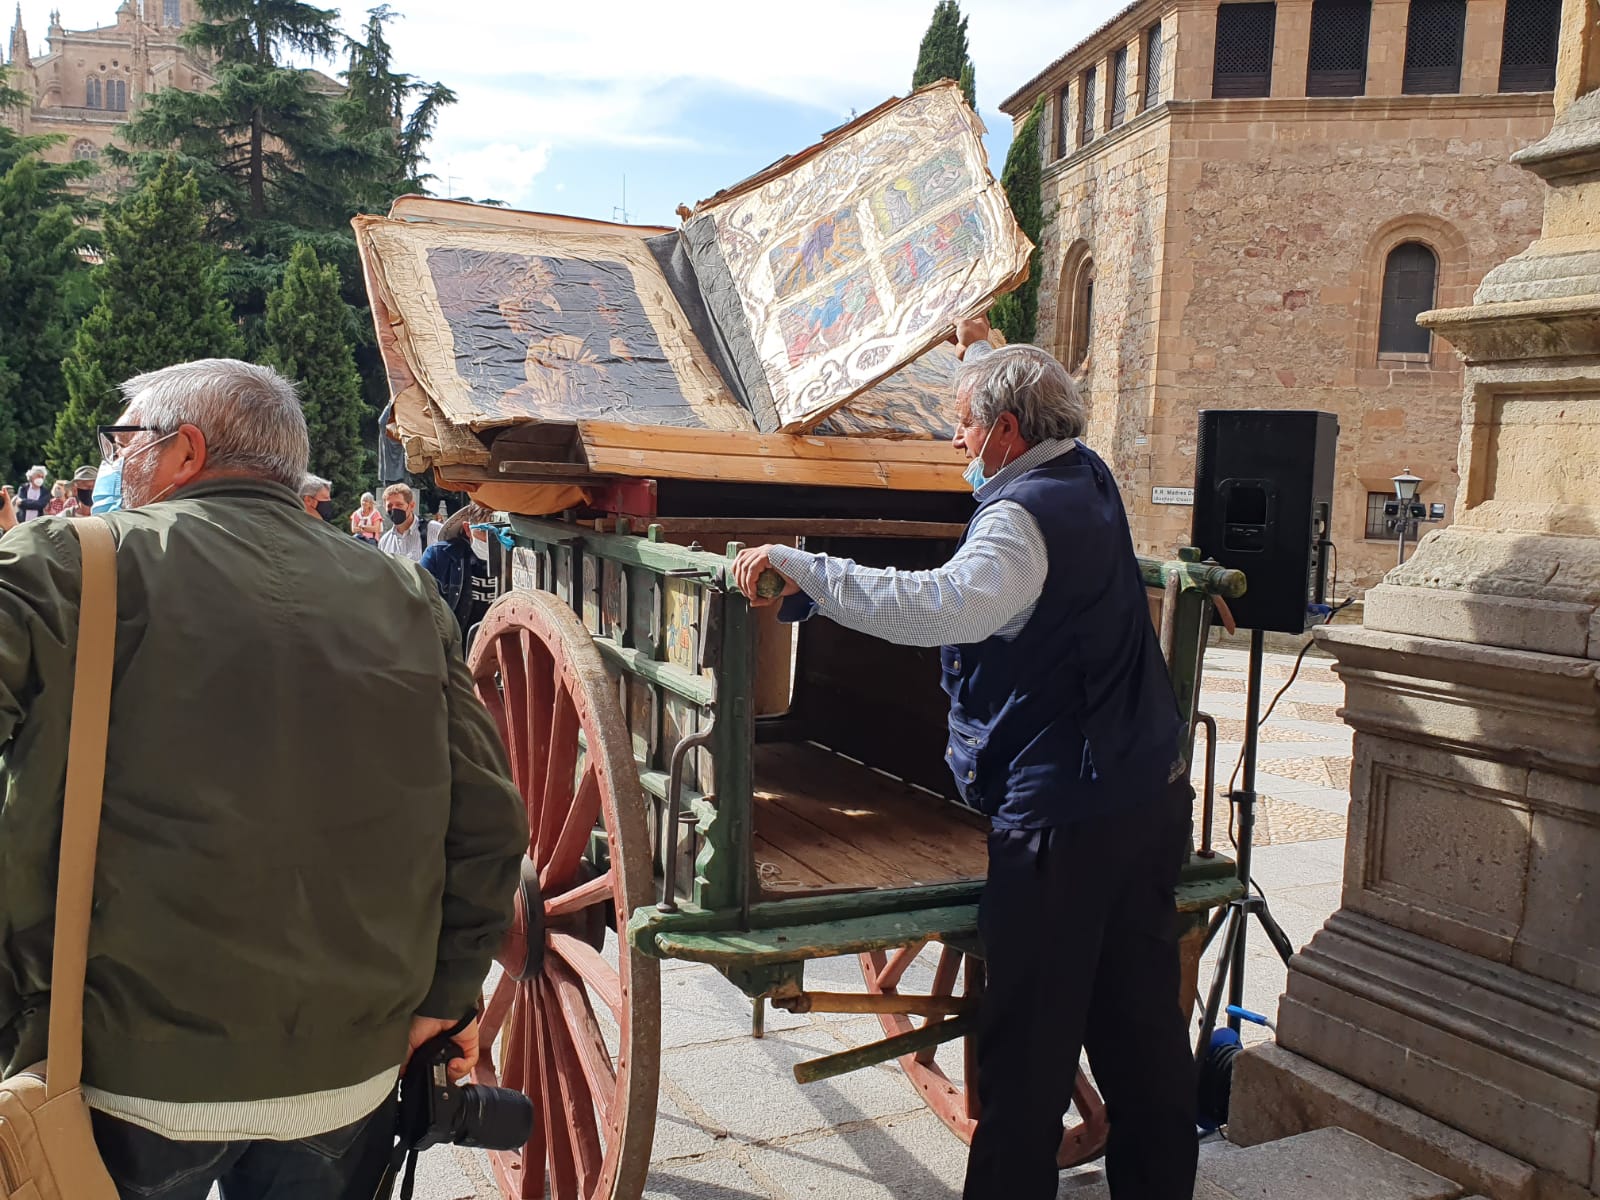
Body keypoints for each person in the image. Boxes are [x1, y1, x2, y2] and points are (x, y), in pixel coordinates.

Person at [0, 358, 527, 1200]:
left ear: (184, 452)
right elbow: (490, 821)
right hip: (349, 1070)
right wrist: (448, 994)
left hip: (118, 1070)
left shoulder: (67, 563)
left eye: (123, 440)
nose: (114, 461)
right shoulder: (402, 592)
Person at [732, 317, 1198, 1200]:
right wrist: (977, 355)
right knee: (1141, 1032)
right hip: (1145, 796)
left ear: (1006, 435)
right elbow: (1018, 397)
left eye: (962, 425)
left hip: (1064, 819)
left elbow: (939, 607)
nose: (954, 443)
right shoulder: (1085, 473)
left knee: (1025, 1047)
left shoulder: (1018, 521)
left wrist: (809, 569)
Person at [420, 503, 498, 647]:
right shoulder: (439, 557)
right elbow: (421, 608)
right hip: (453, 651)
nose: (490, 540)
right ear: (468, 529)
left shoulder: (516, 559)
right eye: (484, 531)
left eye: (497, 533)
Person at [378, 482, 430, 562]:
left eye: (399, 505)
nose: (394, 509)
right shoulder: (384, 542)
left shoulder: (432, 530)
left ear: (411, 506)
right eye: (390, 506)